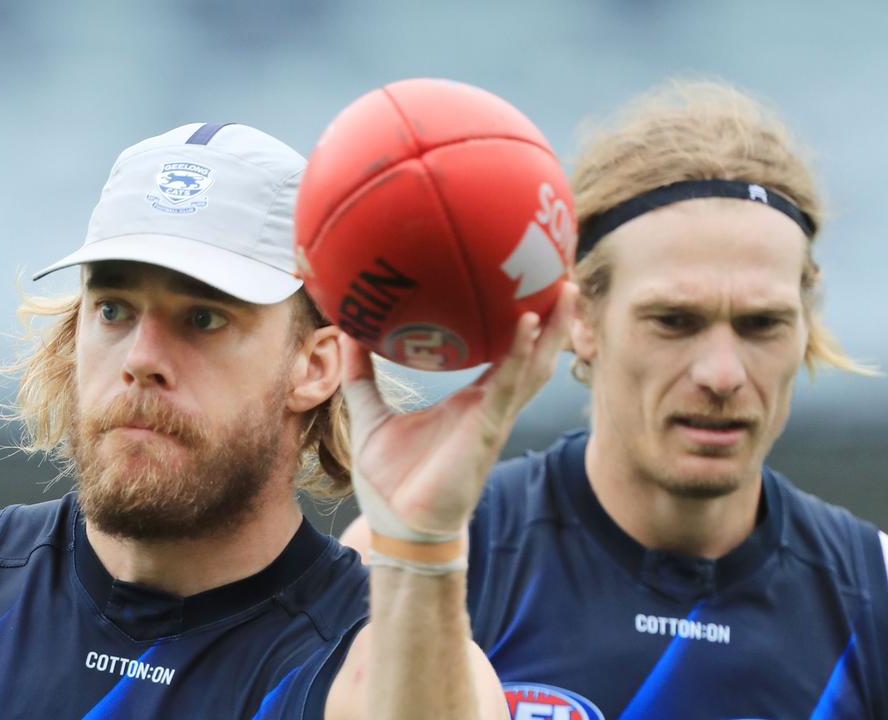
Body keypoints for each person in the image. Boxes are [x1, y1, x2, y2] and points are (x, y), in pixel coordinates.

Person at [0, 121, 575, 718]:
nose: (142, 355)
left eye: (204, 319)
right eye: (113, 307)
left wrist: (422, 544)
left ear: (316, 364)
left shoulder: (389, 672)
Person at [340, 80, 888, 719]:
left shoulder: (872, 589)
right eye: (674, 321)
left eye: (761, 324)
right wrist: (421, 554)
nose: (722, 374)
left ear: (807, 319)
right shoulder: (424, 553)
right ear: (582, 317)